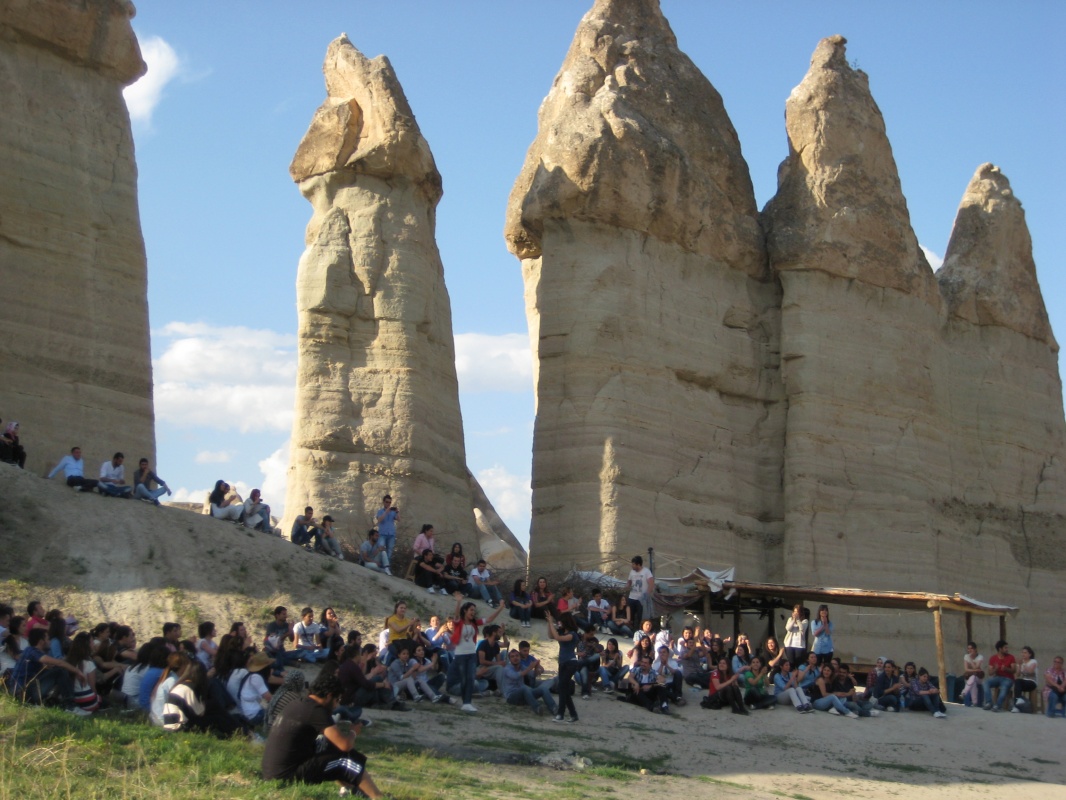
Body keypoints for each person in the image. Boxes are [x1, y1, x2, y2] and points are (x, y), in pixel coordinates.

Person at [261, 669, 384, 798]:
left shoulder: (299, 703)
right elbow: (345, 745)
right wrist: (353, 731)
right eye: (337, 699)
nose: (336, 705)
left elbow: (332, 743)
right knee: (345, 760)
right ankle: (377, 796)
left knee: (328, 745)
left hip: (272, 773)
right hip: (287, 776)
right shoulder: (317, 710)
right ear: (329, 696)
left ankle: (354, 790)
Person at [11, 628, 89, 714]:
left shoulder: (30, 651)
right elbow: (59, 663)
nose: (50, 642)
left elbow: (48, 667)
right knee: (60, 671)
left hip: (23, 691)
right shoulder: (32, 651)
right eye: (48, 639)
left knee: (57, 671)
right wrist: (78, 671)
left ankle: (54, 700)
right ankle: (70, 706)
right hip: (23, 693)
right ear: (41, 641)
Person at [450, 592, 503, 713]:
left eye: (474, 610)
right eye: (471, 610)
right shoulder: (459, 622)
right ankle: (465, 701)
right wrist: (459, 602)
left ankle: (467, 703)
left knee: (470, 678)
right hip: (460, 654)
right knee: (464, 679)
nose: (473, 612)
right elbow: (456, 615)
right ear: (465, 611)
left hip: (471, 654)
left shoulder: (474, 623)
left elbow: (489, 619)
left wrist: (500, 608)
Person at [543, 609, 583, 723]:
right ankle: (573, 715)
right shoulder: (562, 632)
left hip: (570, 662)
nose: (559, 623)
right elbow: (551, 635)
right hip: (562, 663)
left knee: (562, 687)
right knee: (563, 689)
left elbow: (558, 638)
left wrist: (552, 623)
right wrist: (549, 623)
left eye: (560, 621)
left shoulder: (572, 634)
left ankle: (560, 714)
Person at [502, 648, 556, 716]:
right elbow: (515, 676)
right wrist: (530, 668)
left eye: (517, 656)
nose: (515, 658)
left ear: (520, 657)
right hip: (511, 697)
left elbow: (532, 675)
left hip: (525, 696)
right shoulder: (507, 668)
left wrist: (536, 667)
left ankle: (554, 708)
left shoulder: (521, 666)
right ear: (510, 659)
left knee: (543, 689)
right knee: (524, 688)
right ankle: (537, 708)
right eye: (512, 656)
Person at [983, 640, 1016, 711]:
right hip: (997, 677)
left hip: (1008, 679)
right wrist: (995, 669)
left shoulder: (1011, 657)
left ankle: (998, 705)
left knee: (1004, 687)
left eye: (1007, 648)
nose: (1007, 649)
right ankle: (989, 702)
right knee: (986, 683)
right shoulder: (993, 658)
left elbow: (1014, 670)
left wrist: (1006, 669)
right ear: (1000, 649)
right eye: (1005, 648)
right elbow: (990, 673)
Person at [624, 555, 654, 629]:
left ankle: (640, 630)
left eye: (633, 564)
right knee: (630, 616)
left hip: (641, 599)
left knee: (641, 617)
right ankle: (630, 630)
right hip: (632, 597)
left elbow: (651, 583)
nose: (632, 566)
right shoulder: (632, 572)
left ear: (638, 564)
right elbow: (629, 582)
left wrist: (647, 595)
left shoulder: (646, 572)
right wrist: (625, 587)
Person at [959, 641, 984, 706]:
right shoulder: (966, 656)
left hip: (979, 677)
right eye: (968, 649)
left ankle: (964, 693)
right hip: (970, 678)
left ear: (975, 649)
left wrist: (970, 660)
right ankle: (974, 702)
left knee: (973, 678)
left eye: (971, 648)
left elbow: (976, 667)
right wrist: (975, 670)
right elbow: (966, 669)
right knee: (973, 681)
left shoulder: (980, 657)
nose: (969, 650)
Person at [375, 494, 399, 561]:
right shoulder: (380, 511)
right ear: (383, 502)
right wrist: (386, 512)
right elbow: (379, 520)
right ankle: (378, 563)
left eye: (389, 502)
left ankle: (387, 565)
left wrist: (397, 512)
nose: (388, 504)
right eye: (387, 502)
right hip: (382, 534)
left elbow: (399, 519)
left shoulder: (393, 512)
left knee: (389, 551)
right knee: (380, 548)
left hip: (391, 534)